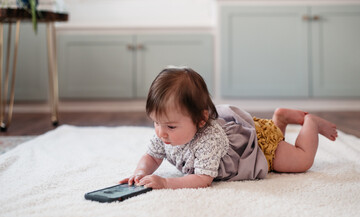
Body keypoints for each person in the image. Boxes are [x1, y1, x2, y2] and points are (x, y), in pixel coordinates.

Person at [119, 67, 338, 189]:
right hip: (252, 136)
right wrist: (139, 174)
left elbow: (202, 179)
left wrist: (166, 183)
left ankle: (311, 122)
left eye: (170, 126)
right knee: (279, 139)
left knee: (302, 161)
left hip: (260, 149)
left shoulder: (208, 140)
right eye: (156, 122)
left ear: (201, 120)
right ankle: (279, 118)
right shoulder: (164, 135)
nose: (160, 132)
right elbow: (151, 156)